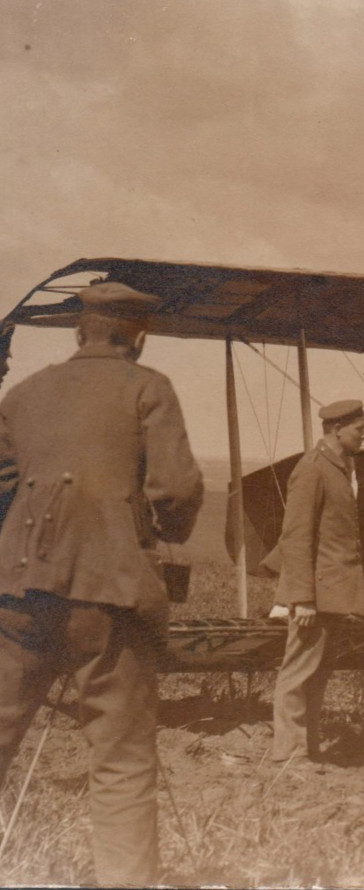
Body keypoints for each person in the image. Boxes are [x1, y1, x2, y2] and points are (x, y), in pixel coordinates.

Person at [0, 282, 203, 885]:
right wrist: (157, 526)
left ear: (79, 332)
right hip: (108, 591)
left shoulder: (24, 393)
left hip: (16, 592)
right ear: (138, 337)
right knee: (120, 758)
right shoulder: (148, 388)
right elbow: (177, 492)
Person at [270, 399, 364, 764]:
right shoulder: (313, 469)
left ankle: (305, 750)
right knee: (298, 673)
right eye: (359, 429)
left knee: (316, 674)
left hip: (331, 594)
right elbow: (295, 538)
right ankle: (290, 755)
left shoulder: (339, 468)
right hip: (314, 595)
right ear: (337, 429)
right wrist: (303, 598)